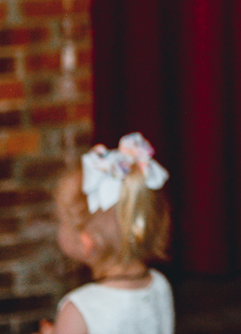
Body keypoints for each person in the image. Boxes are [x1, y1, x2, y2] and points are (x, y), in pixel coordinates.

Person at [38, 133, 174, 334]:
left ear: (87, 242)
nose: (58, 226)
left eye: (61, 221)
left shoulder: (79, 310)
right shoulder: (160, 285)